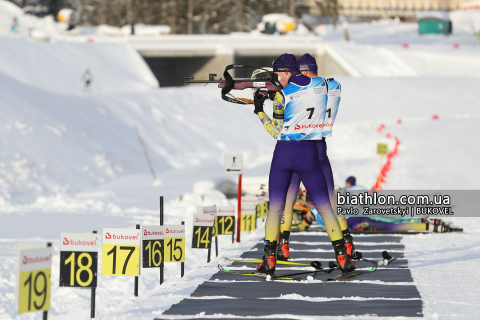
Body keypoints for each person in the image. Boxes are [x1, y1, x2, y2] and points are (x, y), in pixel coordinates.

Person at [253, 53, 355, 274]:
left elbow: (276, 131)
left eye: (278, 73)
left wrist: (260, 110)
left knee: (276, 207)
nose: (276, 77)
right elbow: (312, 88)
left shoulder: (282, 95)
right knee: (325, 207)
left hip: (284, 155)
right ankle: (342, 256)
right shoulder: (323, 84)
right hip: (311, 152)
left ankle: (270, 259)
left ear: (287, 72)